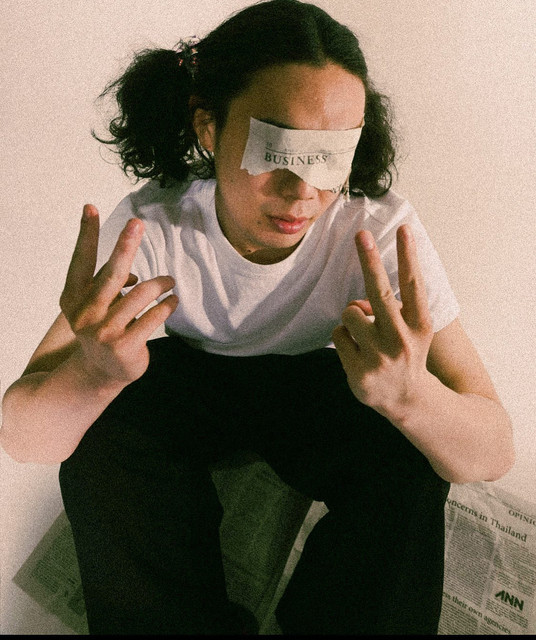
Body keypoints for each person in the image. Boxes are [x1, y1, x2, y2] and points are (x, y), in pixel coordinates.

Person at [1, 0, 515, 634]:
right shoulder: (151, 225)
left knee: (414, 444)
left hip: (319, 381)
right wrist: (93, 374)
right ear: (208, 128)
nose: (302, 192)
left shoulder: (377, 231)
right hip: (187, 385)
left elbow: (492, 451)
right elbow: (23, 435)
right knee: (101, 422)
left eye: (329, 156)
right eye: (277, 150)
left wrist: (411, 398)